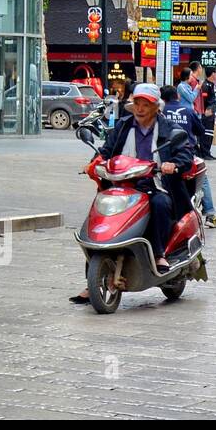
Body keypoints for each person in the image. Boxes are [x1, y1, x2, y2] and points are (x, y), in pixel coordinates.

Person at [70, 83, 193, 303]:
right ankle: (93, 278)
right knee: (101, 213)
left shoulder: (170, 129)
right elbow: (107, 150)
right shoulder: (124, 126)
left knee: (161, 204)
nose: (140, 108)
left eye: (146, 104)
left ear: (156, 107)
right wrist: (94, 163)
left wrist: (172, 164)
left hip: (155, 184)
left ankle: (158, 253)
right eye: (137, 103)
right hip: (122, 185)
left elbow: (185, 155)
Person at [161, 84, 216, 228]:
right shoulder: (188, 111)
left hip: (164, 154)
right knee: (203, 179)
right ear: (178, 96)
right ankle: (210, 214)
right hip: (187, 153)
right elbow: (200, 130)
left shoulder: (160, 112)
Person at [198, 68, 216, 159]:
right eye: (215, 73)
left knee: (210, 133)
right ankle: (204, 153)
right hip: (207, 114)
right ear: (212, 74)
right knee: (206, 134)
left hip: (211, 113)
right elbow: (203, 100)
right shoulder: (205, 85)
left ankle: (207, 152)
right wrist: (206, 111)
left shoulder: (211, 85)